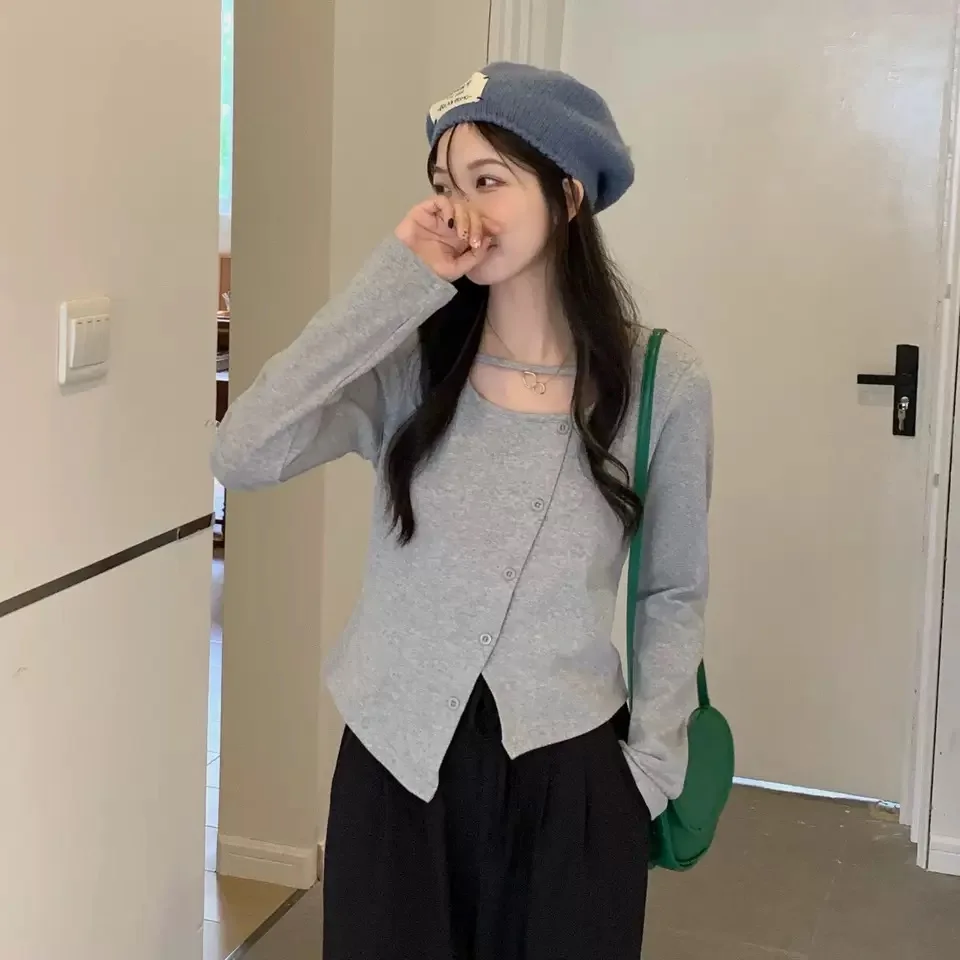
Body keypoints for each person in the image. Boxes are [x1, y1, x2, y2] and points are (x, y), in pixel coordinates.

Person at [212, 61, 712, 960]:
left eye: (490, 181)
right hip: (395, 768)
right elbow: (242, 451)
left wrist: (649, 770)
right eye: (446, 185)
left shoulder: (660, 381)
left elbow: (672, 590)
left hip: (571, 779)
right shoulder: (412, 362)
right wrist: (394, 280)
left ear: (567, 196)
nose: (464, 211)